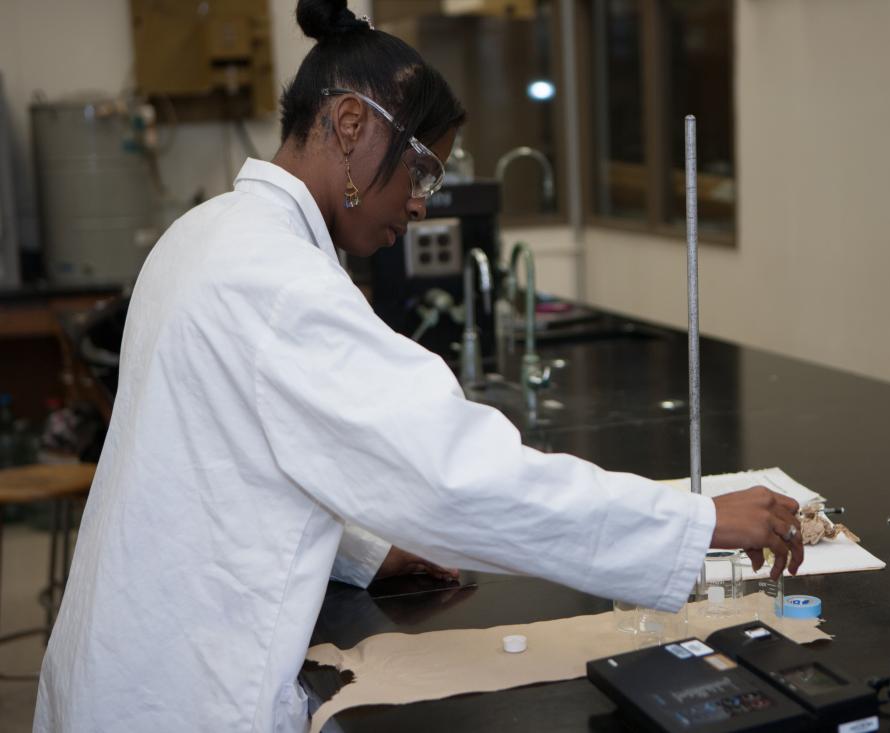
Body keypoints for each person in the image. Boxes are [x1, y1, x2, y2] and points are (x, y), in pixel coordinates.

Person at [34, 2, 803, 731]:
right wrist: (698, 522)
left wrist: (372, 548)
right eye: (424, 170)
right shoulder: (280, 283)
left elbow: (229, 468)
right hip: (184, 695)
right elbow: (456, 475)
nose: (421, 205)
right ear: (349, 126)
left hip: (116, 668)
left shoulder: (206, 233)